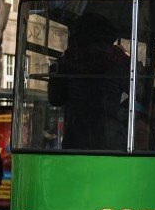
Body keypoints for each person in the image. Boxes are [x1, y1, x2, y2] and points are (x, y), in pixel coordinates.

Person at [48, 13, 130, 150]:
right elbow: (140, 92)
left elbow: (55, 98)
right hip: (110, 136)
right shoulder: (118, 59)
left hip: (76, 136)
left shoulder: (67, 60)